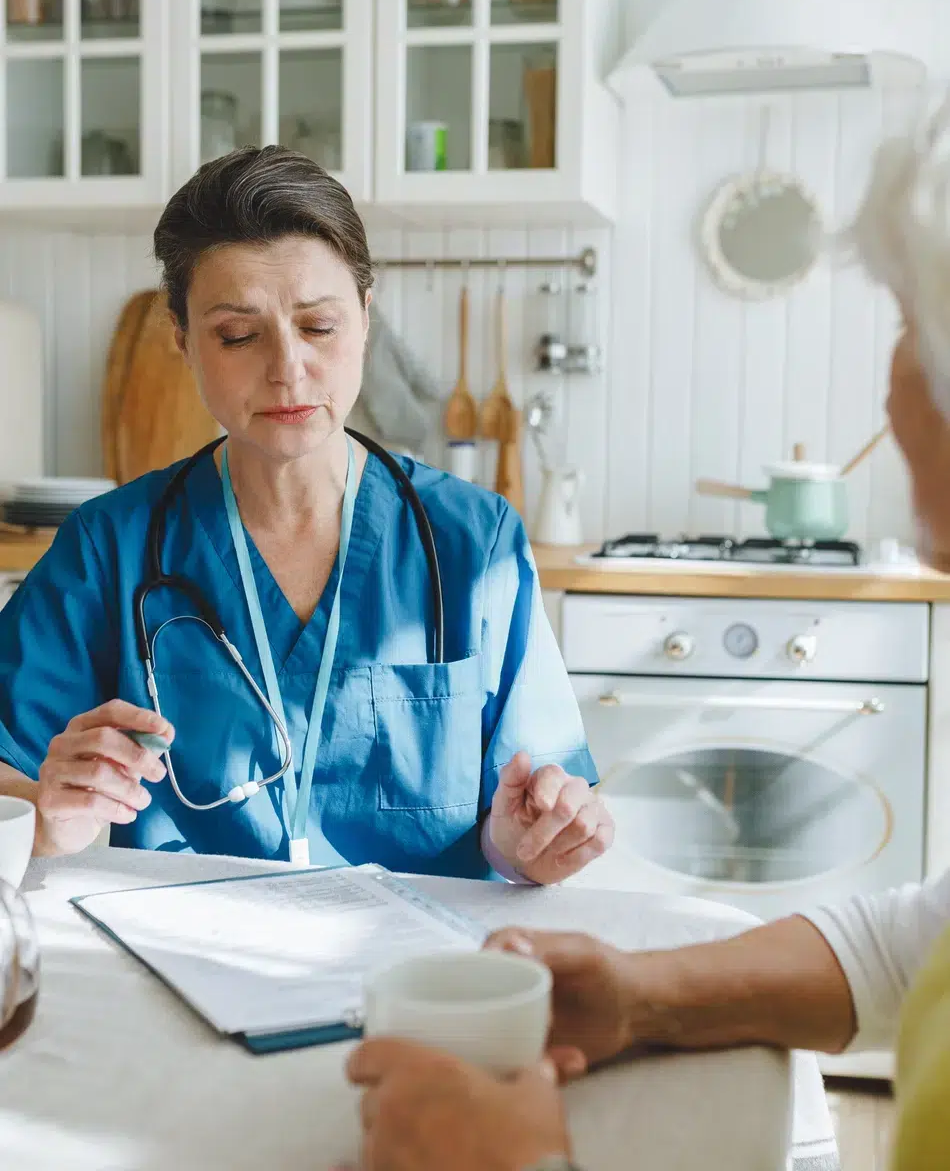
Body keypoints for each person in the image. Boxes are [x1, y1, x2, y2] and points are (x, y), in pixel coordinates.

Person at [341, 318, 950, 1171]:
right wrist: (638, 998)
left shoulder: (470, 533)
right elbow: (908, 949)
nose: (927, 544)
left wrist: (519, 1160)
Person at [0, 146, 613, 883]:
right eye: (237, 334)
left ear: (364, 316)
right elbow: (13, 781)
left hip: (420, 977)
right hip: (186, 956)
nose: (287, 368)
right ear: (182, 339)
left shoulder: (471, 543)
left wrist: (528, 845)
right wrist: (48, 818)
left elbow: (527, 821)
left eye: (317, 327)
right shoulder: (109, 548)